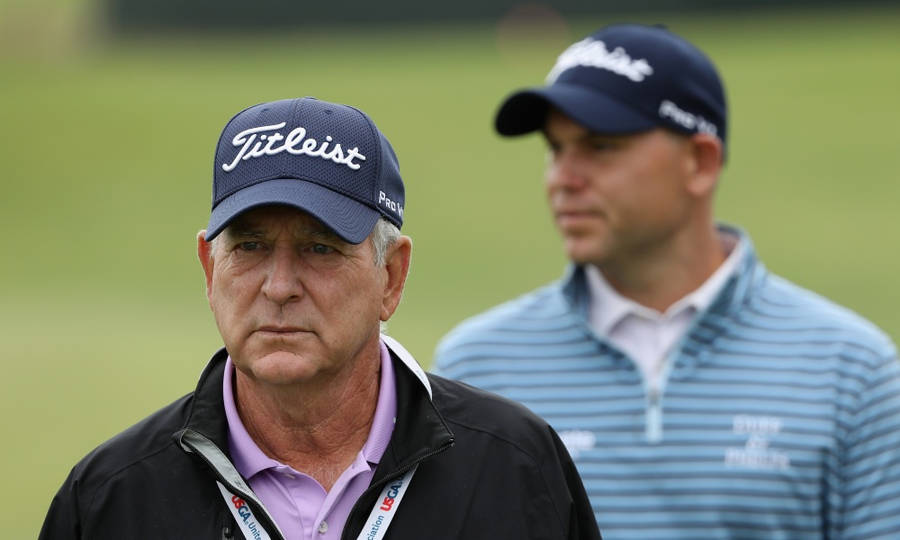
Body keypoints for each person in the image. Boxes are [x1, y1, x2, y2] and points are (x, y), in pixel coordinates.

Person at [39, 97, 602, 540]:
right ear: (210, 269)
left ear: (392, 277)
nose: (279, 287)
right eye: (251, 246)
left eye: (321, 249)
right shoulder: (110, 498)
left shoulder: (513, 467)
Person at [434, 23, 900, 539]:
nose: (562, 178)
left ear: (699, 163)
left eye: (600, 146)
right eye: (556, 148)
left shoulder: (851, 371)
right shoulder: (475, 366)